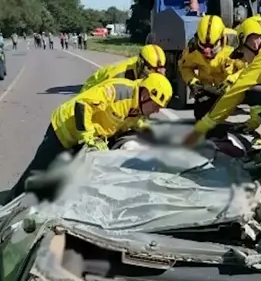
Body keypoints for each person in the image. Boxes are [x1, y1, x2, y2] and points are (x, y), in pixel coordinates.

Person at [12, 73, 174, 196]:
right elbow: (82, 105)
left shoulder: (138, 107)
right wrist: (88, 137)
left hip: (83, 138)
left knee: (65, 182)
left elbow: (130, 121)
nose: (157, 110)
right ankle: (8, 206)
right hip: (64, 130)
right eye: (156, 105)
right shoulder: (118, 92)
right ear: (145, 95)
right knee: (37, 173)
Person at [184, 16, 261, 146]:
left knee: (252, 92)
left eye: (243, 52)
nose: (243, 57)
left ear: (254, 42)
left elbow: (234, 95)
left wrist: (203, 126)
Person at [178, 15, 243, 120]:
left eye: (212, 46)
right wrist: (192, 81)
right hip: (208, 89)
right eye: (202, 45)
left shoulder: (235, 42)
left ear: (221, 38)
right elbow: (184, 67)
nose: (206, 52)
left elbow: (248, 68)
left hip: (234, 89)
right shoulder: (192, 47)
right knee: (201, 116)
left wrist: (232, 81)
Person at [80, 44, 166, 91]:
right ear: (141, 64)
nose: (155, 74)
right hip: (92, 89)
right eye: (151, 70)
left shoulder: (146, 68)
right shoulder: (120, 76)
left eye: (160, 69)